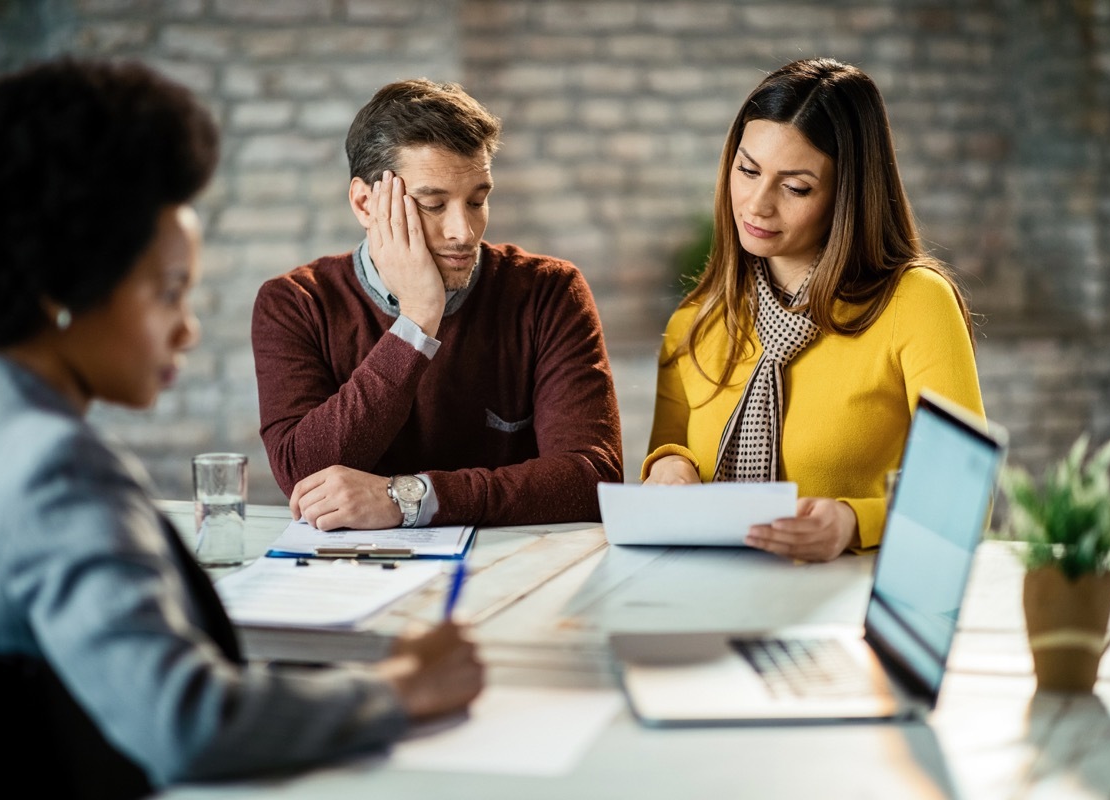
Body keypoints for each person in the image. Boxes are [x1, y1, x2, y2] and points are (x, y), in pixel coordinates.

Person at [0, 59, 482, 795]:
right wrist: (400, 687)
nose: (186, 331)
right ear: (61, 292)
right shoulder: (59, 475)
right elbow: (187, 722)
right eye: (168, 292)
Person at [643, 58, 984, 562]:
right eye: (747, 169)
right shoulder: (694, 321)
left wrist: (853, 522)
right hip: (707, 597)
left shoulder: (915, 302)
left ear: (846, 195)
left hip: (847, 608)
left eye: (795, 186)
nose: (757, 204)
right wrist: (668, 468)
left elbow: (967, 495)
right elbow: (665, 458)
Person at [251, 79, 623, 532]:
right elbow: (304, 477)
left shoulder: (549, 292)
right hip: (353, 578)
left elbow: (592, 477)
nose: (463, 232)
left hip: (511, 576)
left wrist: (409, 499)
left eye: (478, 201)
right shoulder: (296, 303)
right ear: (365, 204)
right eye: (432, 204)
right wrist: (417, 321)